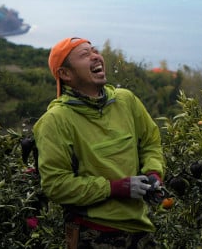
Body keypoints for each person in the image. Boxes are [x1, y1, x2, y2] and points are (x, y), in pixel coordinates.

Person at [33, 37, 165, 248]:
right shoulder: (56, 120)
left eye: (94, 50)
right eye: (84, 55)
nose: (95, 56)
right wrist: (114, 188)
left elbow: (150, 141)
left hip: (141, 230)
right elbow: (56, 185)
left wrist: (153, 173)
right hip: (92, 233)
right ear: (65, 74)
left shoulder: (126, 100)